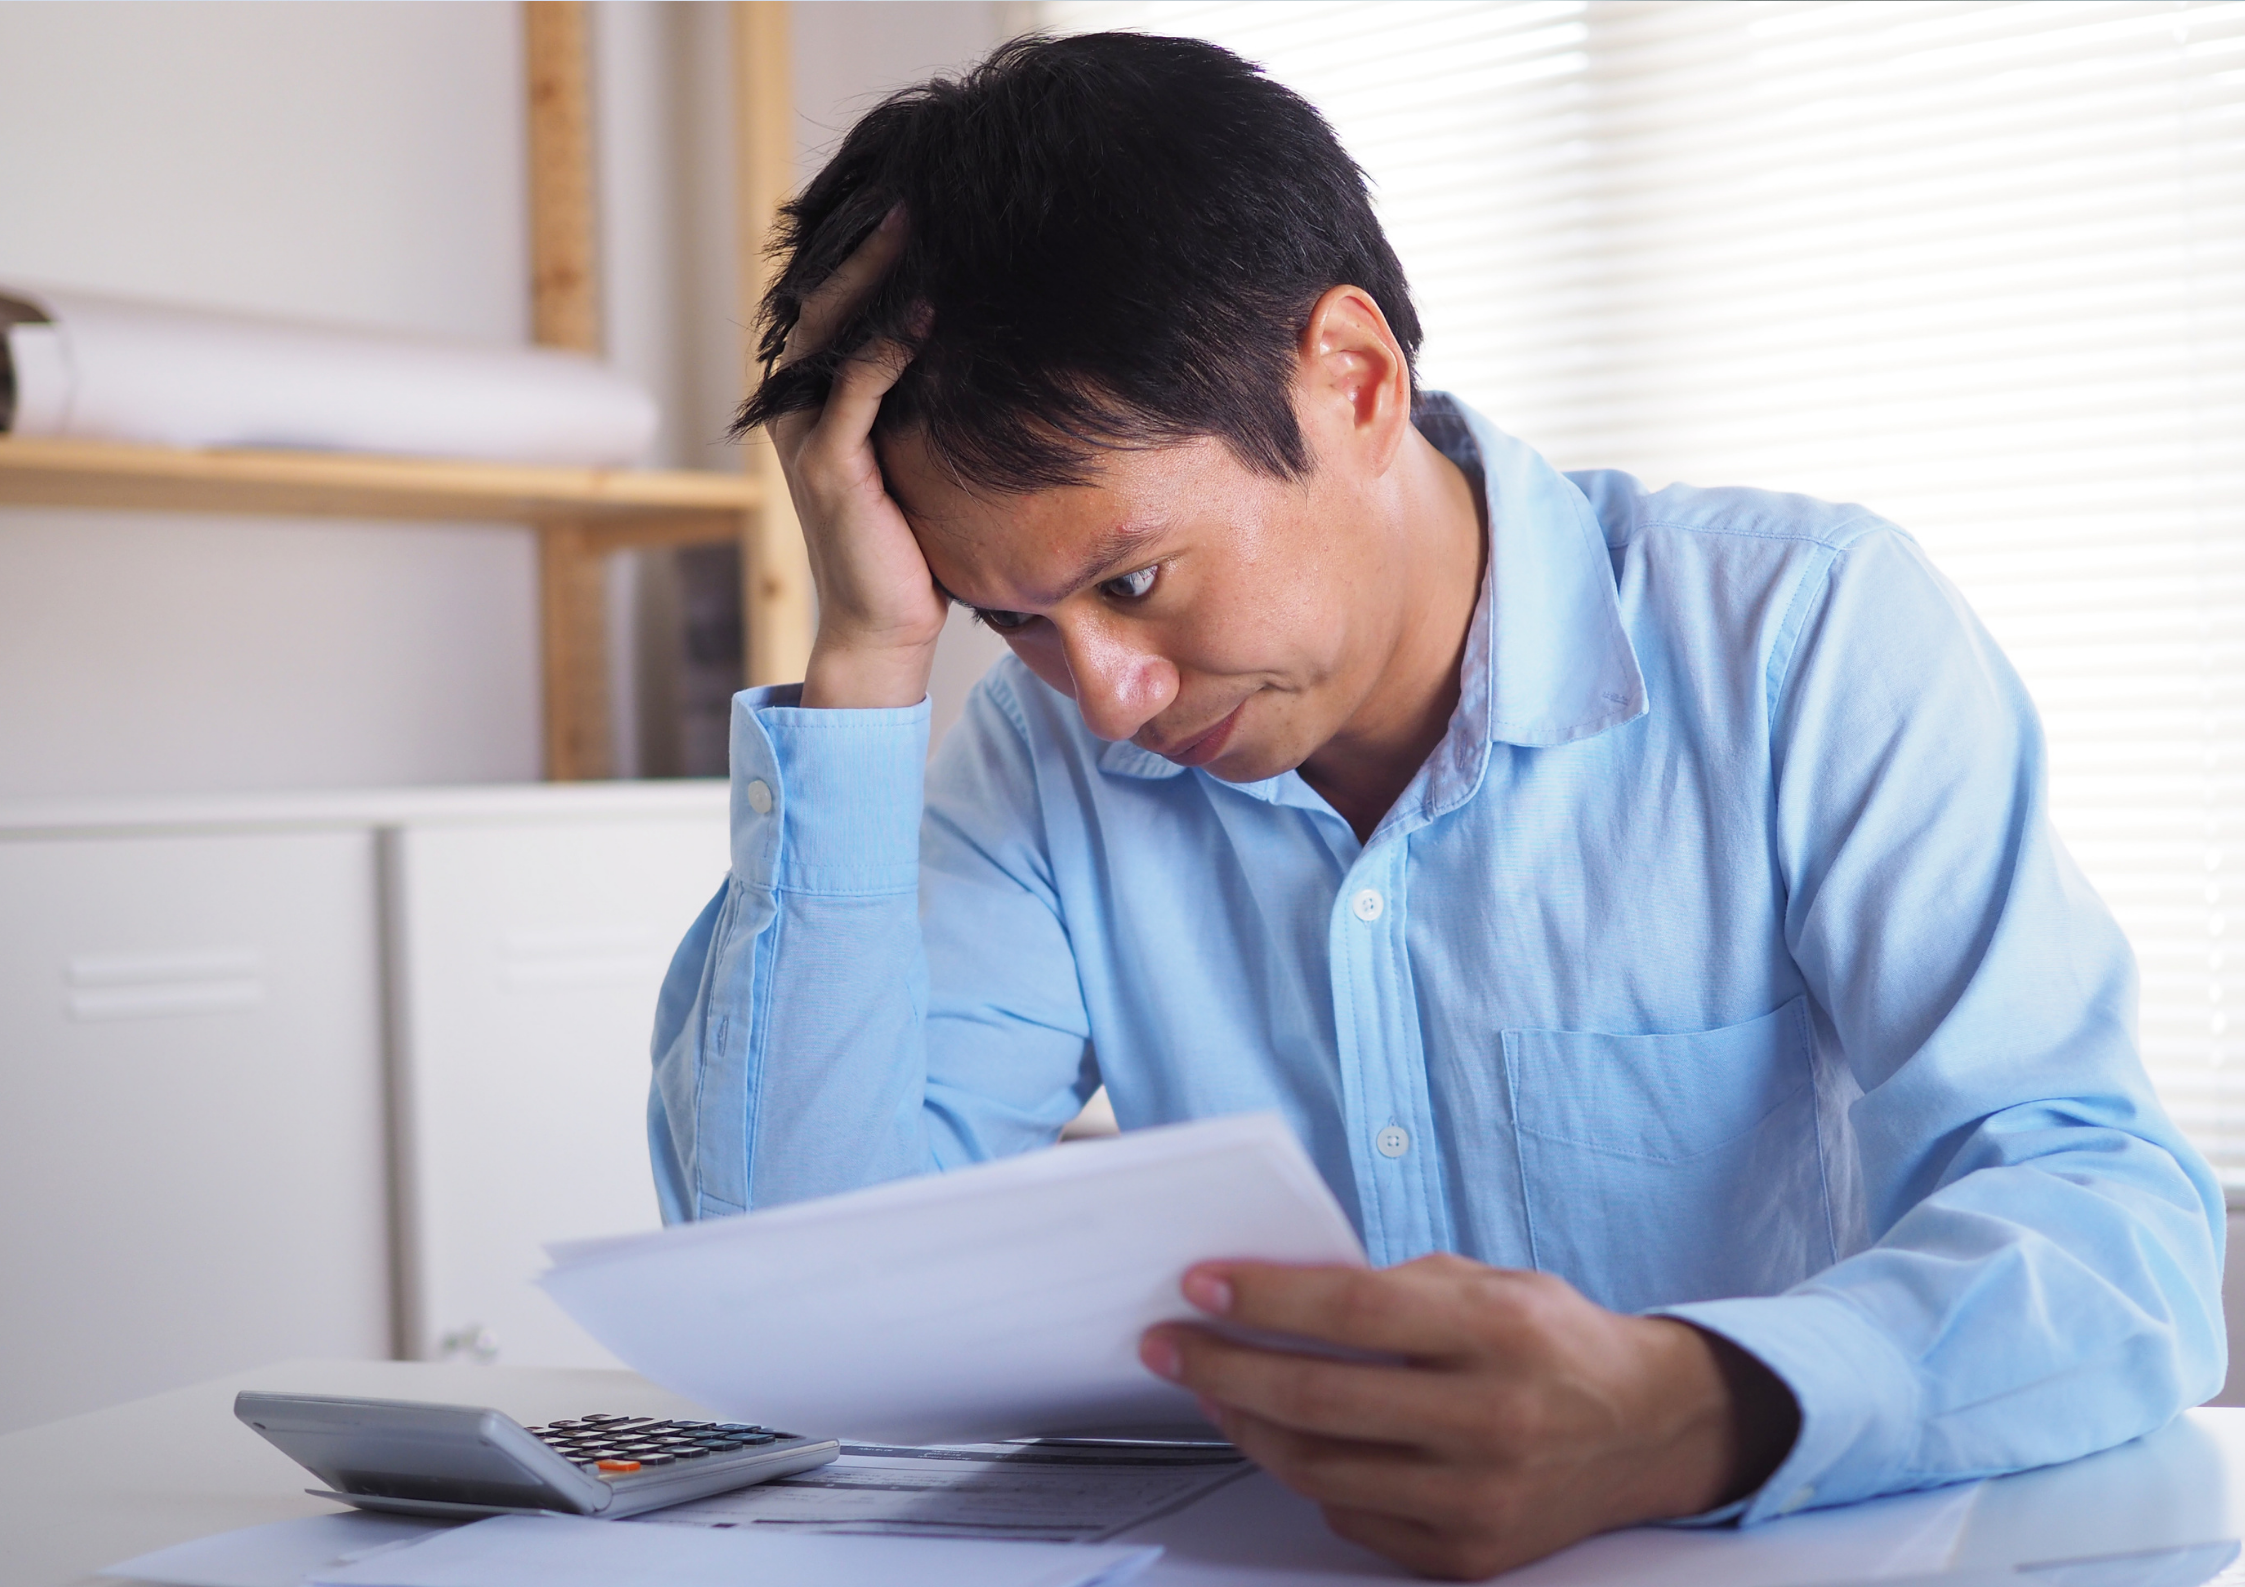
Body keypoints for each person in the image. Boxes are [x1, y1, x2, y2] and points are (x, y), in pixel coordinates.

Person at [647, 31, 2224, 1580]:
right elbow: (793, 1291)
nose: (1107, 692)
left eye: (1131, 579)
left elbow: (2119, 1238)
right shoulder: (1042, 755)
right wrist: (865, 655)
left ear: (1354, 378)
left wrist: (1680, 1409)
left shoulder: (1804, 638)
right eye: (1015, 622)